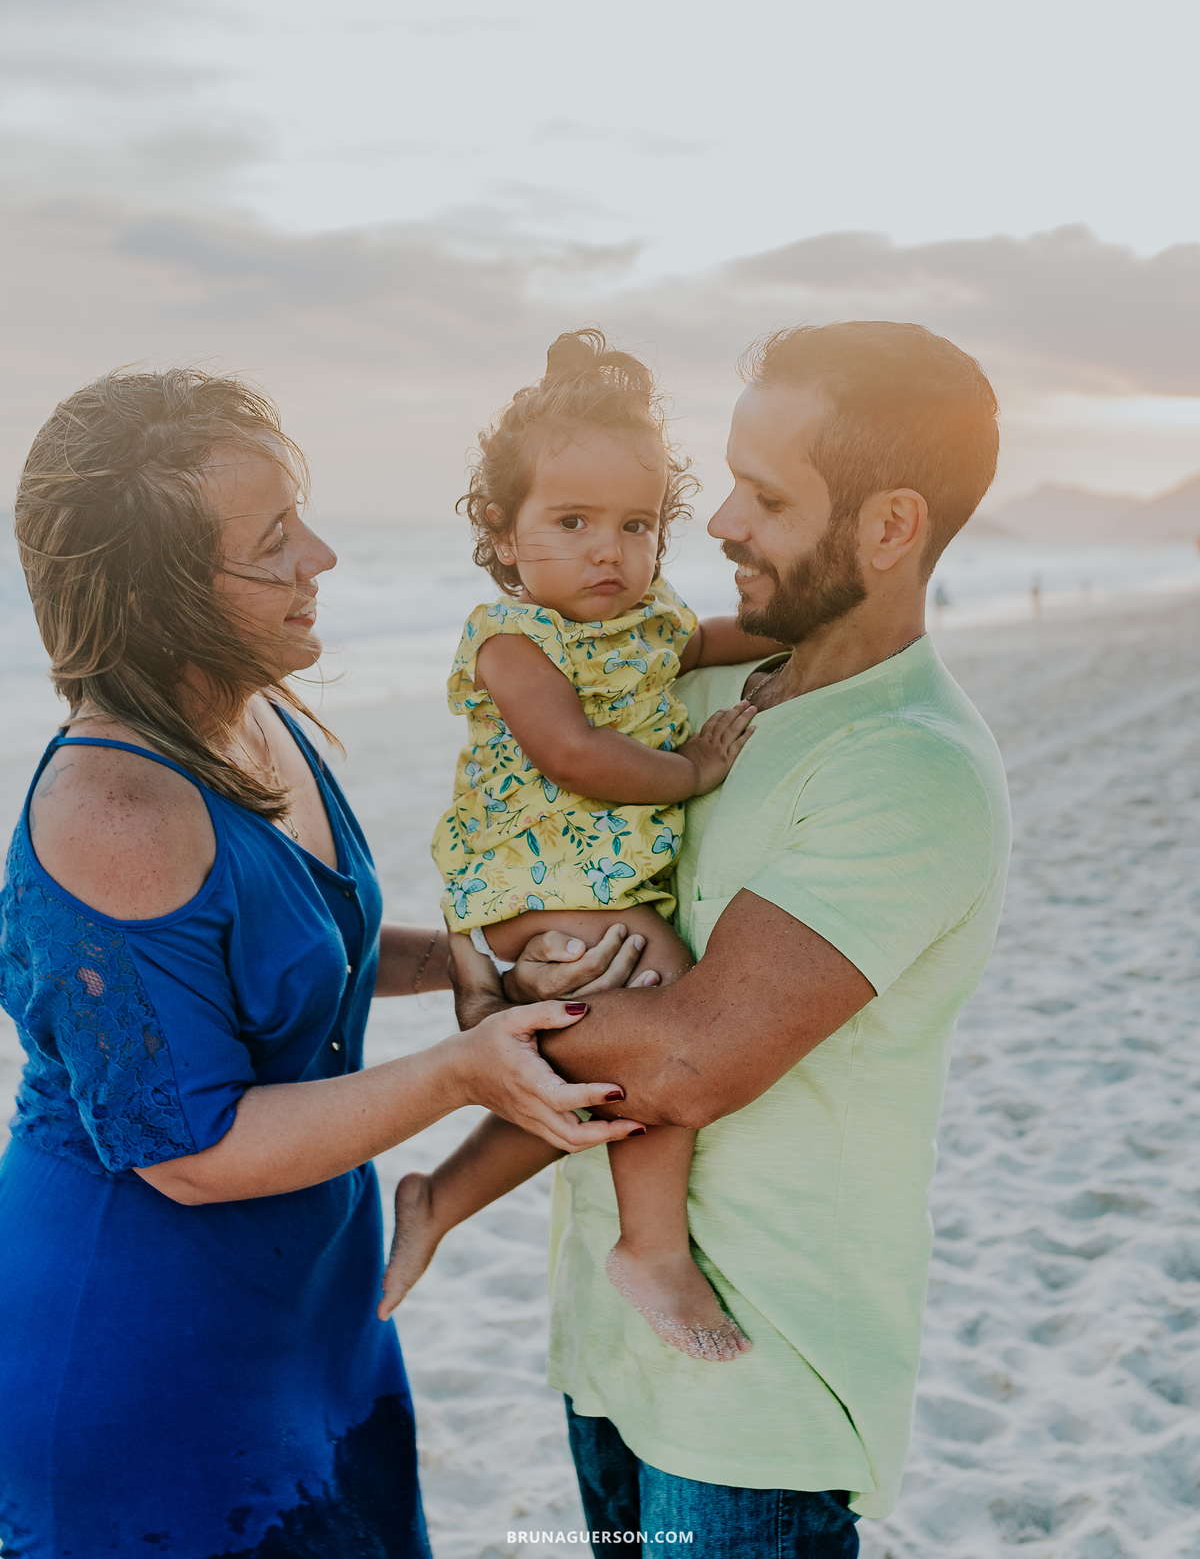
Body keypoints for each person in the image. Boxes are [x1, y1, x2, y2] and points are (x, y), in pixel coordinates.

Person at [0, 369, 643, 1559]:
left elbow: (300, 954)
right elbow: (189, 1153)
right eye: (273, 541)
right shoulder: (114, 807)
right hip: (142, 1343)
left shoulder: (259, 715)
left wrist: (481, 965)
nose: (324, 556)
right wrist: (464, 1071)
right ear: (161, 597)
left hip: (311, 1310)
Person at [451, 322, 1012, 1556]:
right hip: (606, 1341)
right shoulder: (693, 699)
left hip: (756, 1385)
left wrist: (491, 1015)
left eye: (765, 497)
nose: (717, 526)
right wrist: (484, 970)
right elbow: (536, 858)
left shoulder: (909, 768)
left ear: (887, 526)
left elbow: (691, 1060)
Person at [384, 331, 782, 1360]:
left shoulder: (646, 621)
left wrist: (809, 630)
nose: (611, 549)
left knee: (590, 1070)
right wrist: (696, 768)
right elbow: (573, 752)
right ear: (507, 540)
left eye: (636, 524)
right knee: (665, 1001)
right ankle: (651, 1245)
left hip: (586, 882)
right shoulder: (514, 640)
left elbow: (702, 641)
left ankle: (439, 1198)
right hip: (531, 877)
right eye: (572, 522)